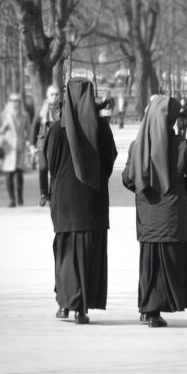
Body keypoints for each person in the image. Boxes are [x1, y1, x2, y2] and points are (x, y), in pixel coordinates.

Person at [40, 78, 117, 325]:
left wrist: (48, 190)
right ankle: (81, 308)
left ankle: (65, 303)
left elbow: (47, 162)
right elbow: (110, 160)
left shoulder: (55, 129)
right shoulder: (101, 128)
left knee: (65, 253)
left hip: (64, 201)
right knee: (88, 255)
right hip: (92, 202)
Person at [122, 95, 187, 328]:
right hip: (172, 216)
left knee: (149, 264)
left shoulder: (137, 147)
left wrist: (144, 192)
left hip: (147, 218)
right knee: (168, 264)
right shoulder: (181, 145)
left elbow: (128, 179)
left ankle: (147, 308)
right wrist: (180, 190)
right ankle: (155, 312)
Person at [0, 93, 32, 207]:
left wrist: (28, 143)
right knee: (9, 174)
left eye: (17, 100)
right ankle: (12, 199)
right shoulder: (5, 115)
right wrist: (4, 126)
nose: (15, 103)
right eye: (13, 100)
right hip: (9, 148)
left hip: (20, 147)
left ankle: (20, 197)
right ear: (10, 102)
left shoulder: (25, 116)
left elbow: (29, 131)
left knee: (19, 173)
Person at [32, 85, 61, 180]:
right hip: (42, 142)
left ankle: (54, 191)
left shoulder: (63, 109)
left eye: (56, 94)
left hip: (57, 143)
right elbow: (35, 126)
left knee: (56, 169)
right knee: (43, 168)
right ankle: (44, 193)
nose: (54, 96)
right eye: (52, 94)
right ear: (47, 95)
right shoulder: (41, 109)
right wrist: (32, 145)